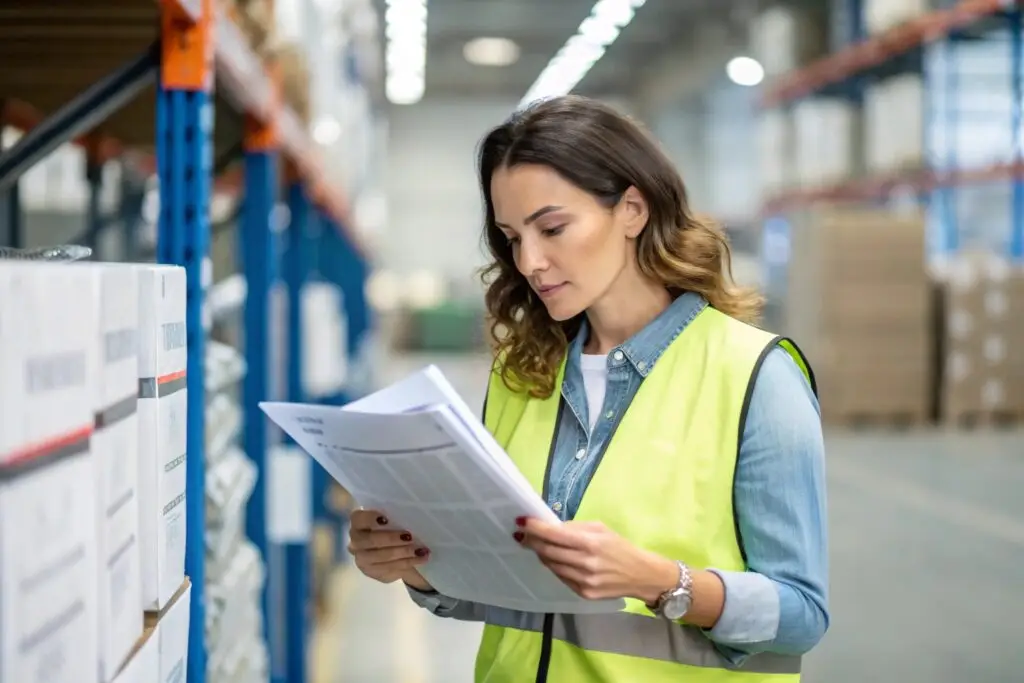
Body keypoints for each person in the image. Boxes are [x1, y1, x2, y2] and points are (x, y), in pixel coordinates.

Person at [346, 95, 829, 682]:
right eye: (511, 236)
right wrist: (415, 566)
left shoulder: (755, 375)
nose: (530, 261)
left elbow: (801, 615)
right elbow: (509, 591)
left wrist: (661, 581)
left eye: (552, 228)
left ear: (632, 209)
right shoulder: (522, 374)